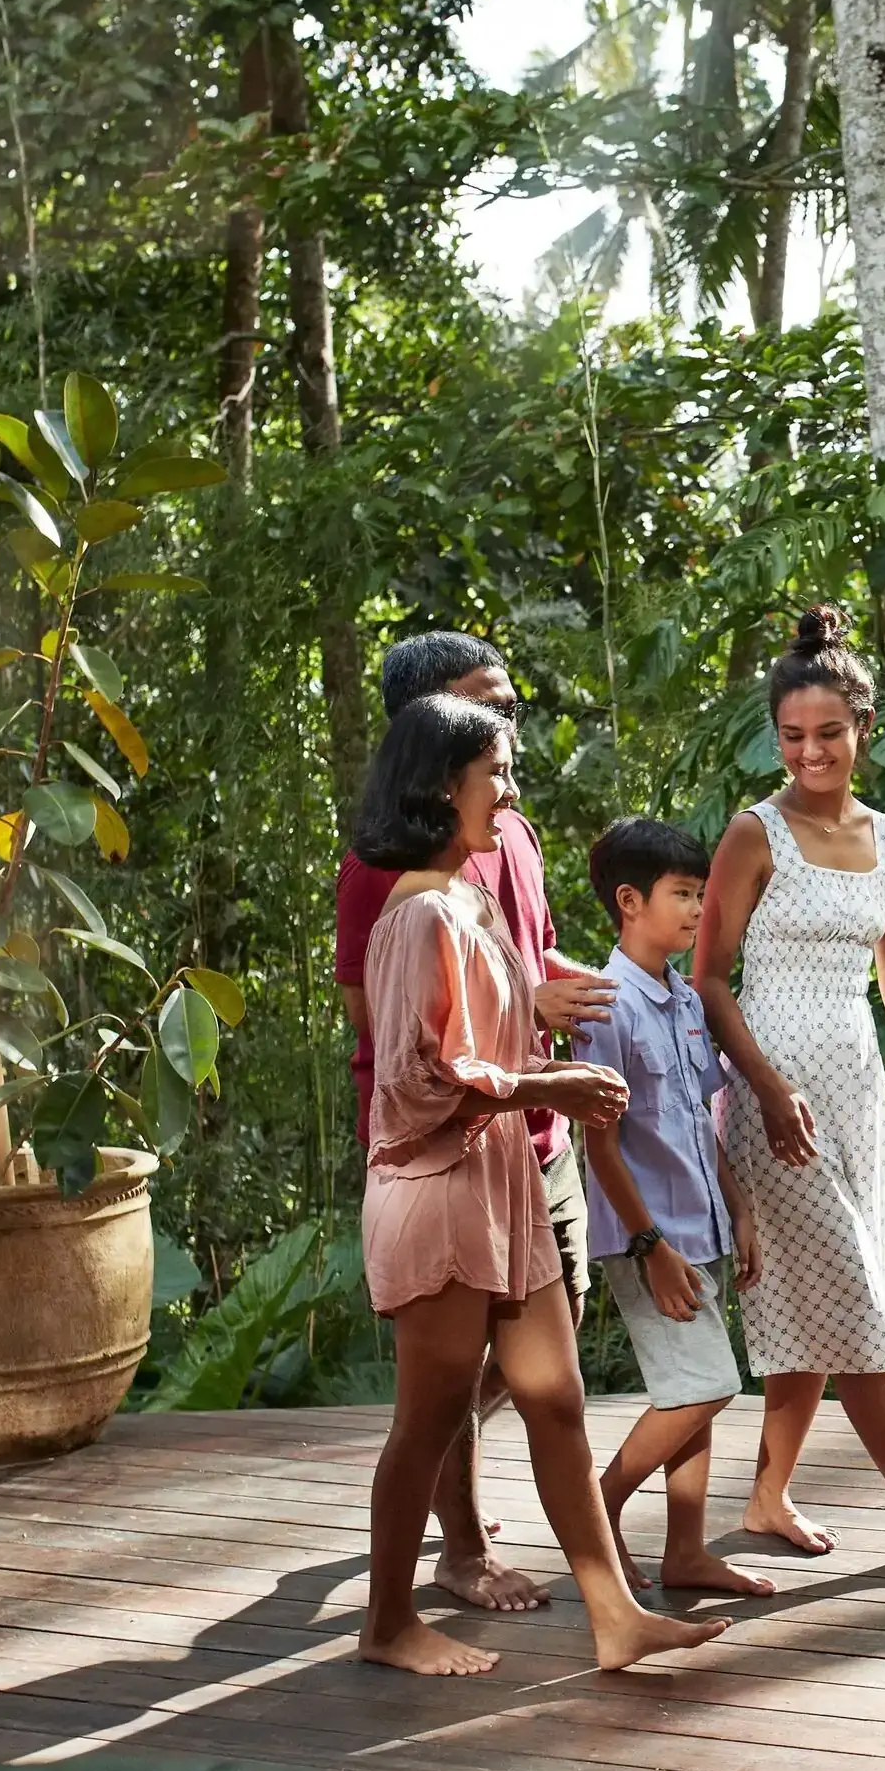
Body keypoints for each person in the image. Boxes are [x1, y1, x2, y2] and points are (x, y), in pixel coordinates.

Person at [352, 693, 728, 1677]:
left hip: (505, 1179)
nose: (511, 789)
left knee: (555, 1398)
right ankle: (388, 1619)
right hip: (437, 1188)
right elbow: (413, 1083)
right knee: (429, 1417)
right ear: (443, 784)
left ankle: (616, 1613)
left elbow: (497, 1020)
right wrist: (547, 1080)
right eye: (499, 771)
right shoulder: (418, 912)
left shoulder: (470, 895)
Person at [692, 605, 885, 1560]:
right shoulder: (755, 833)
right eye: (793, 736)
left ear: (864, 729)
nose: (810, 753)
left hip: (857, 1093)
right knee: (855, 1299)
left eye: (829, 733)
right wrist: (764, 1083)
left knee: (820, 1300)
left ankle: (765, 1500)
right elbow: (708, 977)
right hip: (773, 1098)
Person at [338, 631, 616, 1617]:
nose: (513, 750)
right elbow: (406, 1048)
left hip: (528, 1144)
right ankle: (436, 1562)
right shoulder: (401, 887)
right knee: (439, 1399)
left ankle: (616, 1613)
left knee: (549, 1376)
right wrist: (530, 1066)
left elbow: (522, 962)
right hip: (445, 1160)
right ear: (435, 745)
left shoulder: (508, 844)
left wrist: (568, 994)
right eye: (489, 722)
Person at [571, 819, 776, 1598]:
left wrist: (741, 1207)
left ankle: (685, 1551)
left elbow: (699, 1119)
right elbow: (601, 1147)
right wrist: (651, 1244)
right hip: (648, 1237)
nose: (698, 910)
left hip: (703, 1225)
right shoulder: (606, 1006)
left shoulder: (684, 1000)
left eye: (700, 894)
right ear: (630, 902)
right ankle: (596, 1506)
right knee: (705, 1386)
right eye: (683, 894)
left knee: (694, 1398)